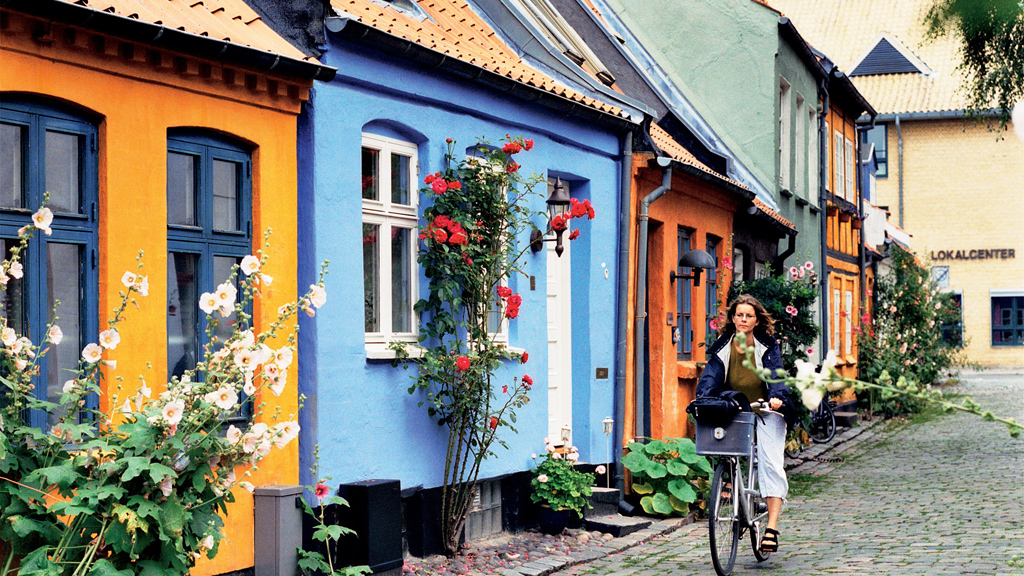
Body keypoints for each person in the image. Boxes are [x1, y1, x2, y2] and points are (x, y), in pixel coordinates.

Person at [696, 294, 794, 554]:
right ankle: (734, 490)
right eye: (739, 314)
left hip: (767, 409)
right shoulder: (723, 347)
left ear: (756, 320)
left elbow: (777, 375)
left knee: (771, 464)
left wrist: (777, 397)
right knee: (724, 447)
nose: (743, 319)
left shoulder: (767, 346)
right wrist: (704, 395)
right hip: (736, 408)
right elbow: (711, 376)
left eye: (749, 315)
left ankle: (771, 527)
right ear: (733, 317)